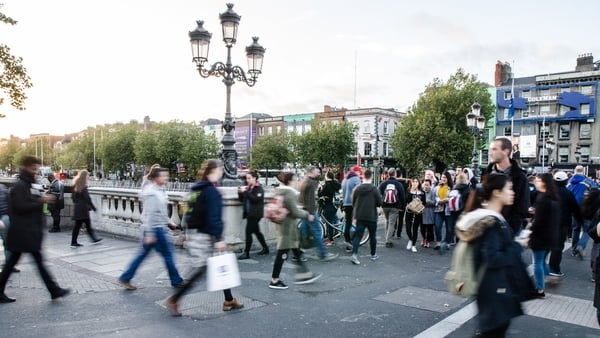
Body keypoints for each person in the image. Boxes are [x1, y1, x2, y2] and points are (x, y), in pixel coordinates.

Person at [456, 173, 534, 337]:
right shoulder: (491, 222)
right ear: (497, 193)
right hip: (494, 289)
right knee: (494, 331)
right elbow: (493, 258)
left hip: (494, 287)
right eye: (509, 189)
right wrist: (518, 245)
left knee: (494, 330)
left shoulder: (490, 218)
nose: (513, 192)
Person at [165, 160, 243, 316]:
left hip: (195, 233)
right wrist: (219, 238)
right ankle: (175, 299)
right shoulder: (211, 191)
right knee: (201, 269)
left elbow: (188, 212)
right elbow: (214, 217)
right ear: (213, 170)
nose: (222, 172)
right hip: (206, 235)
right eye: (220, 169)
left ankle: (229, 299)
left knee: (220, 265)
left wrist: (186, 232)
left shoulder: (196, 189)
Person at [0, 156, 70, 303]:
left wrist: (40, 199)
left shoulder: (29, 183)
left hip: (26, 231)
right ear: (26, 167)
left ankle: (54, 290)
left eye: (36, 168)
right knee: (37, 262)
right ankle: (54, 290)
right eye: (34, 168)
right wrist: (41, 200)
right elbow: (20, 206)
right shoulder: (20, 185)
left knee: (13, 264)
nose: (36, 171)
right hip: (24, 232)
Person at [119, 167, 184, 290]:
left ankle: (126, 277)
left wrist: (170, 223)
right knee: (168, 254)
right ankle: (176, 280)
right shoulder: (152, 193)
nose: (166, 178)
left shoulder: (158, 190)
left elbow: (160, 212)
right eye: (163, 176)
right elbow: (150, 213)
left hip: (156, 228)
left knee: (143, 255)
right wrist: (150, 233)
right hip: (156, 229)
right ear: (156, 178)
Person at [268, 172, 322, 289]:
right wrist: (307, 215)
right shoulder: (288, 193)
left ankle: (304, 274)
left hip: (285, 227)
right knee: (282, 254)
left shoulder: (281, 191)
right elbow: (295, 212)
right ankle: (274, 280)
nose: (297, 181)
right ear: (290, 181)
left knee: (296, 251)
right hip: (287, 229)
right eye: (295, 179)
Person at [483, 137, 530, 235]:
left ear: (506, 151)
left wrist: (509, 227)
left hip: (509, 228)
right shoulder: (487, 174)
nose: (490, 153)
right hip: (487, 226)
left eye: (495, 149)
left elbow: (522, 206)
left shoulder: (520, 177)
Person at [530, 173, 561, 298]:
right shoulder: (553, 198)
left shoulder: (542, 199)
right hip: (551, 235)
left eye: (538, 180)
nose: (535, 182)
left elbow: (539, 221)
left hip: (540, 236)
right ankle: (549, 277)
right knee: (542, 261)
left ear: (544, 182)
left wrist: (531, 231)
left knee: (537, 262)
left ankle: (540, 289)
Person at [299, 165, 337, 261]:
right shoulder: (311, 182)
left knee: (303, 232)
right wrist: (311, 213)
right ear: (312, 171)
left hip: (304, 210)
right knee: (317, 232)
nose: (318, 173)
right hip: (310, 211)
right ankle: (323, 254)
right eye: (317, 171)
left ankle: (297, 253)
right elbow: (311, 199)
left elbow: (302, 197)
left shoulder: (304, 181)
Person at [549, 171, 582, 277]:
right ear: (565, 181)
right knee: (558, 247)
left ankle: (541, 267)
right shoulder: (568, 193)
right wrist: (580, 220)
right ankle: (554, 268)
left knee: (545, 246)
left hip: (548, 223)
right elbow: (575, 209)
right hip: (562, 223)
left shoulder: (548, 192)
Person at [350, 169, 382, 264]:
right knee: (372, 236)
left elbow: (353, 202)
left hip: (360, 215)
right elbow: (379, 202)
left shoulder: (357, 189)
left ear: (363, 177)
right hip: (371, 216)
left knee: (358, 236)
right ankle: (373, 255)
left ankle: (354, 254)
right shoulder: (374, 189)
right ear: (371, 177)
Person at [237, 170, 268, 260]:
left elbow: (255, 199)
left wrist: (245, 192)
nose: (247, 180)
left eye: (249, 178)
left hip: (255, 215)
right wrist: (240, 193)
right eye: (246, 178)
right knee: (257, 232)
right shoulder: (249, 188)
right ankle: (265, 248)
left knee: (248, 233)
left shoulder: (259, 189)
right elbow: (242, 200)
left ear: (254, 178)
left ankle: (246, 253)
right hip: (249, 214)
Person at [569, 165, 599, 259]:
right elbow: (596, 193)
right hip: (586, 209)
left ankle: (573, 250)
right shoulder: (588, 182)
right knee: (587, 230)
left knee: (576, 229)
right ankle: (581, 246)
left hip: (574, 209)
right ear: (583, 171)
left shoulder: (570, 182)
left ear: (575, 171)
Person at [70, 170, 103, 248]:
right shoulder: (83, 187)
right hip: (83, 209)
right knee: (85, 225)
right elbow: (88, 198)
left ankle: (75, 241)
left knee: (79, 226)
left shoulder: (76, 185)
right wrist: (93, 207)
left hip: (78, 208)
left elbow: (73, 197)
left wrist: (77, 203)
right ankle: (75, 242)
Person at [378, 168, 406, 248]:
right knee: (392, 223)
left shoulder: (383, 184)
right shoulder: (398, 184)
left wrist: (380, 203)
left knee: (387, 221)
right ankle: (388, 241)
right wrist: (402, 207)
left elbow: (378, 193)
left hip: (385, 206)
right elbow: (402, 197)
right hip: (394, 206)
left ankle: (387, 237)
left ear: (388, 174)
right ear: (395, 174)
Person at [341, 166, 362, 251]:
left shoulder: (345, 179)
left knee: (348, 222)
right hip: (354, 204)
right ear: (356, 172)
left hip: (346, 203)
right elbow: (360, 191)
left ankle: (347, 240)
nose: (360, 174)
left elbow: (342, 192)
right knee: (357, 223)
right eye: (359, 172)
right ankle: (352, 241)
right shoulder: (356, 179)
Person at [318, 170, 341, 246]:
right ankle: (336, 232)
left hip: (328, 206)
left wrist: (319, 189)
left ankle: (330, 239)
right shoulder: (336, 183)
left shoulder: (327, 185)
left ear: (327, 176)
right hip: (335, 205)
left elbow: (320, 194)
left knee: (329, 223)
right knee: (333, 220)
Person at [0, 183, 18, 273]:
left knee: (7, 244)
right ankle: (9, 265)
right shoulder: (3, 187)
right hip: (5, 218)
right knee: (8, 244)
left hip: (3, 218)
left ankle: (9, 265)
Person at [433, 171, 453, 251]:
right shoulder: (437, 187)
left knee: (449, 228)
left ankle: (447, 243)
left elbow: (453, 197)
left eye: (444, 177)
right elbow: (435, 196)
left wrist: (446, 200)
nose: (443, 179)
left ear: (448, 178)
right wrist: (439, 200)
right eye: (442, 177)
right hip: (439, 209)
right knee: (437, 226)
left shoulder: (452, 188)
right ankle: (438, 242)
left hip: (448, 210)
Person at [405, 176, 425, 253]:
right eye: (413, 181)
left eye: (416, 181)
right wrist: (411, 191)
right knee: (408, 228)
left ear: (418, 183)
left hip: (418, 213)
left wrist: (421, 206)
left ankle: (413, 245)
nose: (415, 183)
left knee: (415, 229)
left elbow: (425, 202)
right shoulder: (408, 191)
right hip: (409, 212)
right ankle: (410, 239)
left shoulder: (422, 193)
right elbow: (406, 200)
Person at [421, 178, 436, 248]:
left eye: (427, 185)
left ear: (430, 185)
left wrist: (427, 201)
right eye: (425, 185)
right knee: (422, 227)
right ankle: (424, 238)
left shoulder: (432, 192)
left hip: (430, 212)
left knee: (429, 227)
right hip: (423, 211)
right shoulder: (421, 192)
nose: (426, 186)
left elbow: (434, 203)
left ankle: (428, 240)